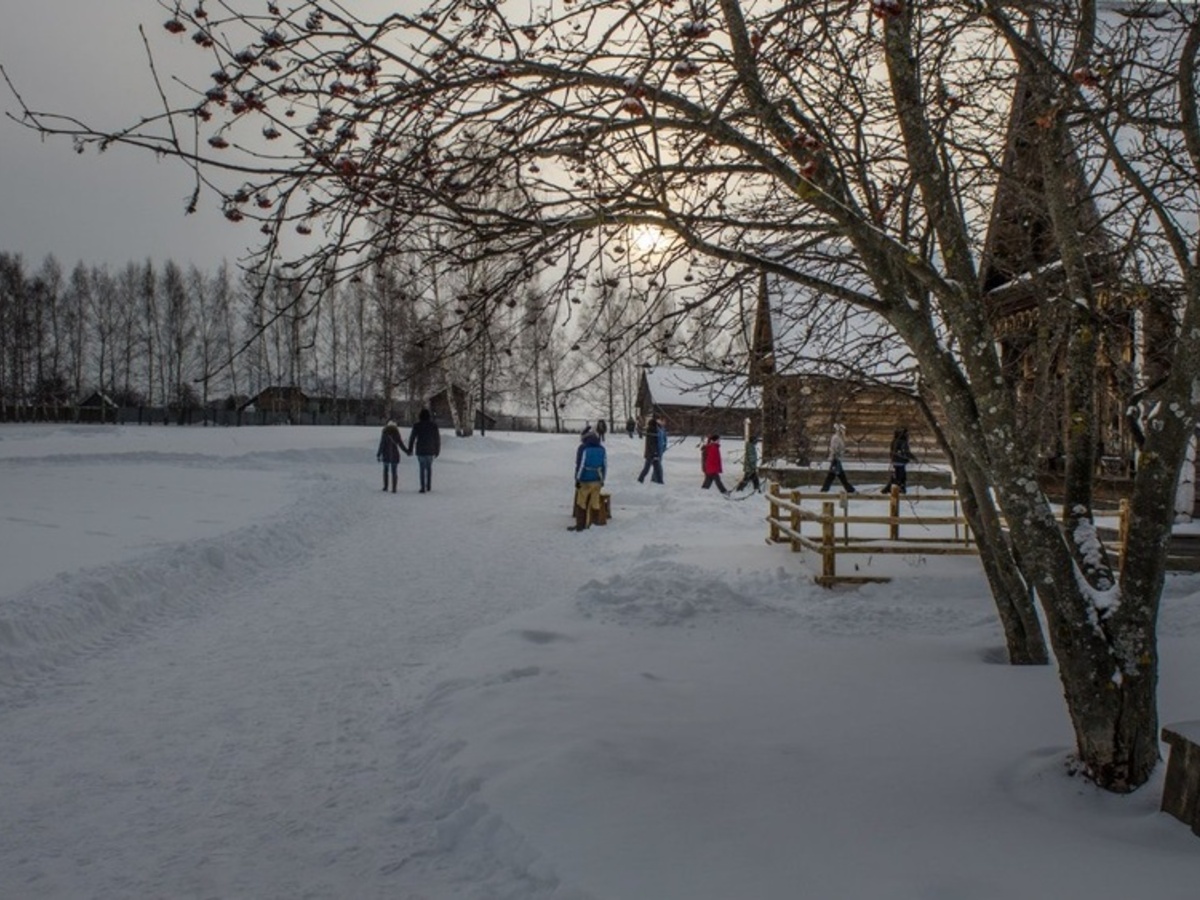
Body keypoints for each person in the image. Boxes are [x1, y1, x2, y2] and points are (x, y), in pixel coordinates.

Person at [572, 430, 608, 530]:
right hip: (597, 480)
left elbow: (581, 465)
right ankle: (593, 525)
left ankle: (580, 525)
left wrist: (577, 479)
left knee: (581, 502)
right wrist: (603, 479)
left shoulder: (584, 449)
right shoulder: (602, 449)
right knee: (595, 503)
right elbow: (605, 465)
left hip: (585, 480)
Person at [408, 408, 441, 493]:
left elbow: (412, 438)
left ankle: (422, 487)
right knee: (429, 468)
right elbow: (437, 438)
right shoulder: (433, 426)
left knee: (422, 468)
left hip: (420, 450)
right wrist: (437, 450)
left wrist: (410, 449)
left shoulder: (417, 425)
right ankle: (428, 486)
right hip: (430, 449)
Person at [820, 422, 856, 493]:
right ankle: (849, 489)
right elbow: (835, 449)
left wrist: (845, 451)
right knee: (837, 476)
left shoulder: (839, 438)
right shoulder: (836, 438)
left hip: (837, 459)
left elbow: (840, 448)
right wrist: (839, 454)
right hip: (835, 459)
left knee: (835, 475)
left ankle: (825, 489)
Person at [376, 420, 408, 493]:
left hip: (386, 455)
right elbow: (400, 444)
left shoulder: (385, 433)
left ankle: (385, 486)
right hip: (394, 454)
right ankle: (394, 488)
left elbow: (382, 444)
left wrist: (378, 454)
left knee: (385, 471)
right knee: (394, 472)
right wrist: (407, 451)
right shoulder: (396, 433)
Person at [881, 426, 914, 494]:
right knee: (899, 476)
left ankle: (898, 488)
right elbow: (903, 452)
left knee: (899, 475)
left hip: (898, 461)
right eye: (906, 434)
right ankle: (894, 488)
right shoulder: (901, 442)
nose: (908, 436)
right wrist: (908, 457)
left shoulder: (897, 441)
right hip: (899, 462)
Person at [637, 415, 664, 484]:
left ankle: (660, 482)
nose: (661, 422)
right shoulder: (652, 429)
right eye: (660, 420)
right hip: (651, 453)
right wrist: (654, 453)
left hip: (654, 453)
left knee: (657, 468)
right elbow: (651, 443)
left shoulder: (655, 429)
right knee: (647, 468)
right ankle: (640, 480)